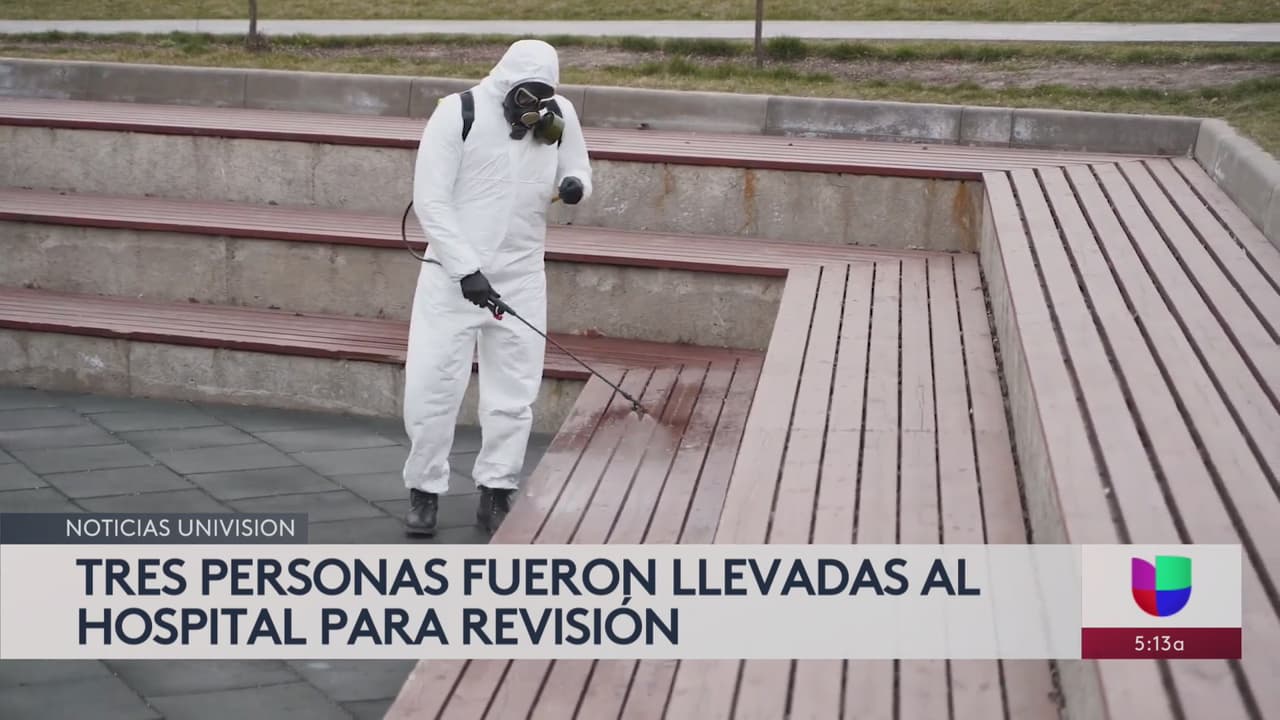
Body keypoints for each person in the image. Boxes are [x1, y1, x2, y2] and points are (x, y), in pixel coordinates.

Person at [400, 39, 592, 537]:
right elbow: (431, 202)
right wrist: (465, 269)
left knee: (514, 391)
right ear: (503, 83)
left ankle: (498, 488)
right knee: (432, 387)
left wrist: (575, 185)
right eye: (524, 96)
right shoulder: (456, 113)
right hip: (453, 279)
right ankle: (424, 490)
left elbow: (578, 166)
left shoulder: (560, 113)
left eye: (541, 96)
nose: (533, 106)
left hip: (522, 273)